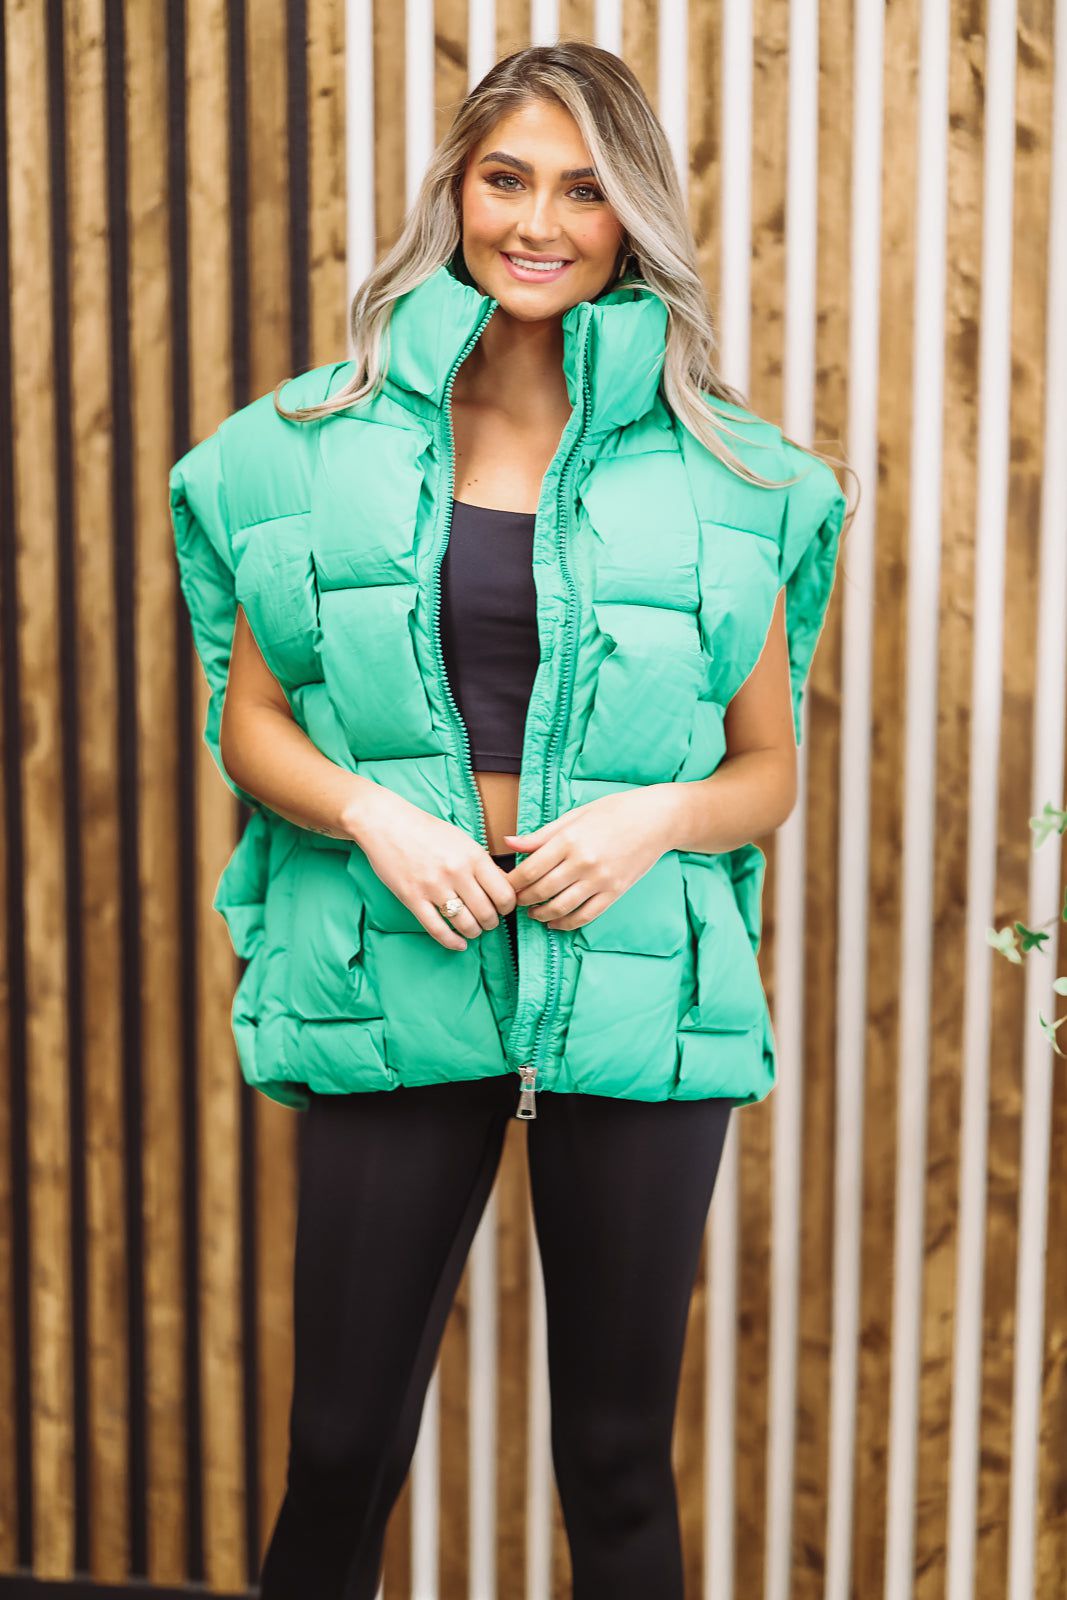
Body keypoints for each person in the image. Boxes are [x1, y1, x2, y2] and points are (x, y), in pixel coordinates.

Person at [169, 40, 854, 1600]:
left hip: (634, 982)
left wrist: (654, 823)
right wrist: (375, 817)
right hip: (398, 960)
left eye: (585, 189)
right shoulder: (314, 445)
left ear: (634, 217)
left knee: (616, 1464)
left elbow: (766, 770)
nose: (539, 222)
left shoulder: (735, 475)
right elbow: (251, 720)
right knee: (340, 1449)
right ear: (457, 192)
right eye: (506, 178)